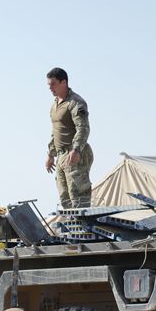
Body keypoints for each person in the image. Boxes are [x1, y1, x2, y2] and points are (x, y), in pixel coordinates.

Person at [45, 67, 93, 209]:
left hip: (75, 154)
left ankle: (82, 230)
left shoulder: (75, 102)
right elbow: (56, 131)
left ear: (64, 82)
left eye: (53, 84)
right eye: (48, 85)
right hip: (61, 157)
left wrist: (76, 149)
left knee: (78, 200)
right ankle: (72, 230)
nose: (50, 88)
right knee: (65, 201)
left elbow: (83, 128)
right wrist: (51, 154)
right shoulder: (55, 105)